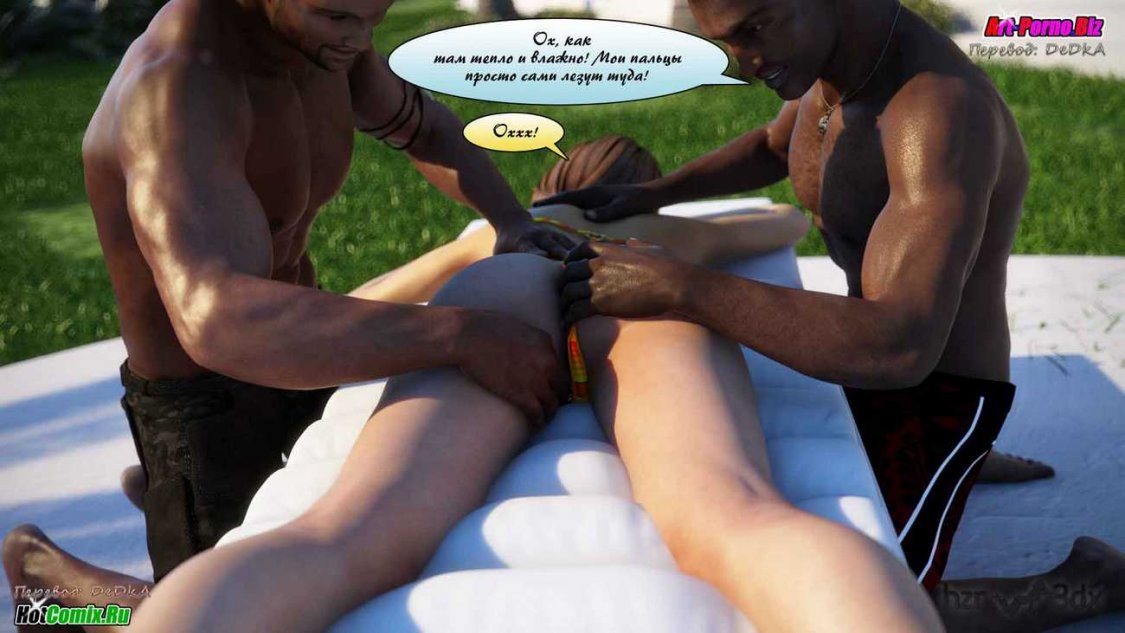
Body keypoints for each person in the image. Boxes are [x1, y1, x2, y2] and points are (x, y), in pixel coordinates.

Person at [540, 0, 1124, 629]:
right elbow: (774, 146)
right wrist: (654, 192)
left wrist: (682, 289)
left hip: (933, 397)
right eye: (727, 41)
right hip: (855, 359)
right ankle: (968, 467)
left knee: (854, 604)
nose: (742, 61)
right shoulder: (837, 63)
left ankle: (1088, 580)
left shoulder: (936, 113)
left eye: (753, 30)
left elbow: (901, 346)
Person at [2, 0, 577, 616]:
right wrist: (460, 335)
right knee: (212, 617)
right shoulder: (176, 87)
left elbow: (425, 128)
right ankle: (53, 577)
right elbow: (215, 320)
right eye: (338, 17)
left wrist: (511, 221)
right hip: (202, 400)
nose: (359, 36)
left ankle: (173, 502)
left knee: (349, 567)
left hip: (304, 348)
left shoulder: (326, 41)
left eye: (374, 18)